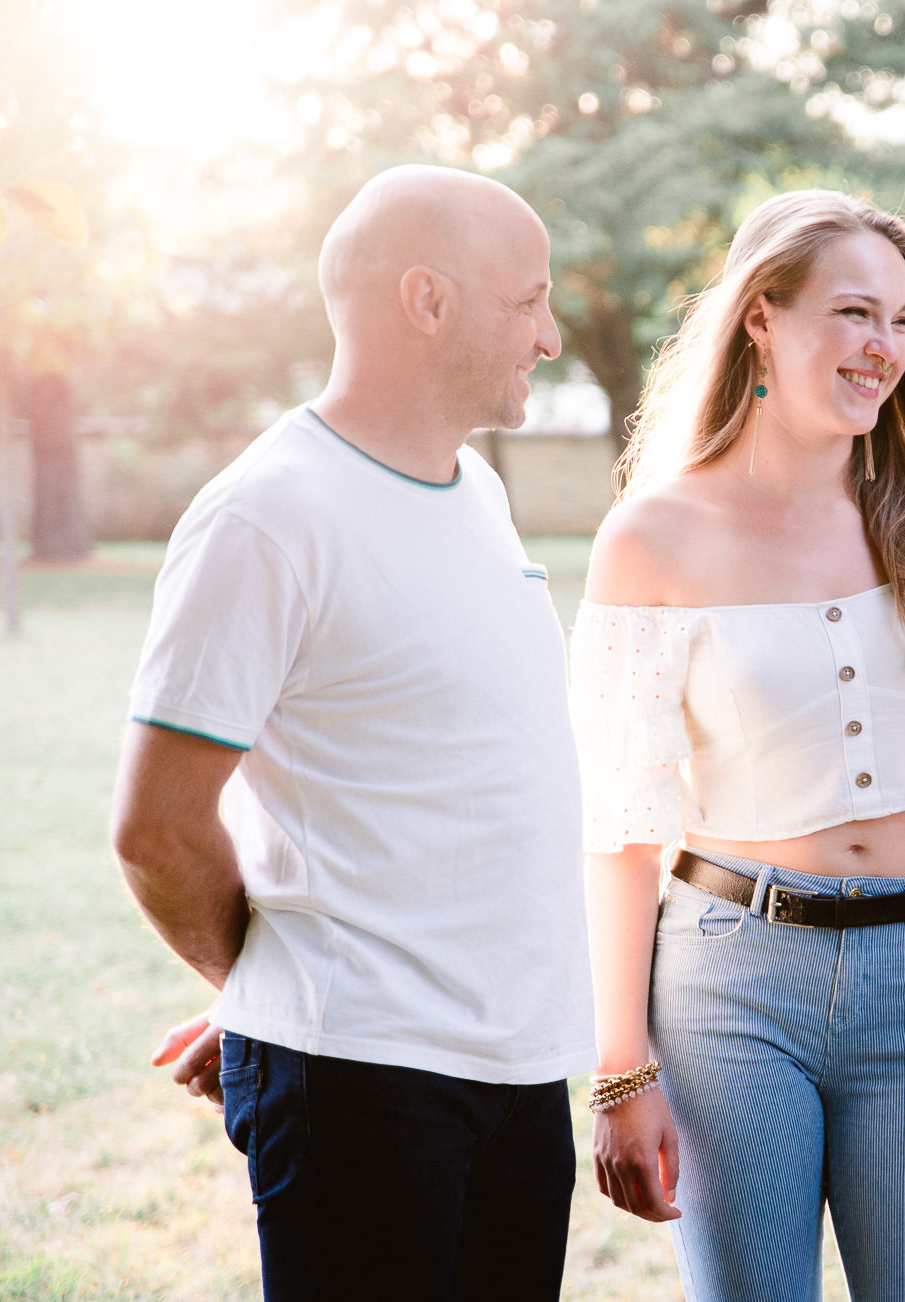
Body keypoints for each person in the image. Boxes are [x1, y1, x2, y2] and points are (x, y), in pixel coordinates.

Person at [572, 189, 905, 1301]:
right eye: (855, 313)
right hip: (729, 984)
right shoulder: (653, 535)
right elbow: (620, 820)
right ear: (762, 316)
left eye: (904, 323)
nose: (886, 348)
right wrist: (621, 1068)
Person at [111, 165, 593, 1301]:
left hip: (519, 1071)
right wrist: (274, 991)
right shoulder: (267, 515)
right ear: (427, 302)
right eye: (527, 300)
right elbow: (156, 828)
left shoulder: (475, 490)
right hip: (364, 1081)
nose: (553, 334)